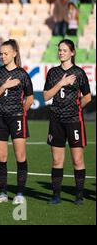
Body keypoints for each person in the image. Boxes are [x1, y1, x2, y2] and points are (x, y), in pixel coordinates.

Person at [43, 39, 92, 205]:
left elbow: (87, 97)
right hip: (56, 120)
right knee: (57, 160)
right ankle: (56, 195)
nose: (61, 53)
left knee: (77, 160)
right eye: (59, 50)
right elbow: (46, 96)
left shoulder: (79, 73)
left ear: (72, 53)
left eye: (64, 50)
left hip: (74, 120)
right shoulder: (53, 73)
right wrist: (61, 83)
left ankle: (79, 195)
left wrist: (76, 108)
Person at [0, 39, 34, 205]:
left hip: (17, 118)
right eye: (0, 54)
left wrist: (20, 112)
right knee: (1, 157)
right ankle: (2, 193)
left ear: (14, 53)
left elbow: (30, 99)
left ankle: (20, 193)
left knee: (20, 156)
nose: (2, 56)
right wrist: (5, 86)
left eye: (5, 53)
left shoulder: (22, 74)